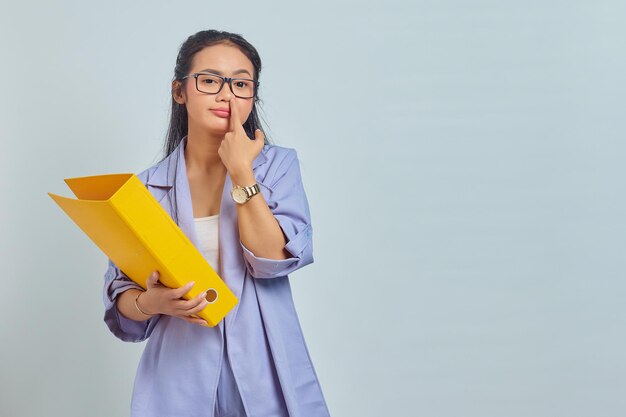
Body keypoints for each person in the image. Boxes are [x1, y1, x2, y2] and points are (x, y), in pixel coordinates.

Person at [102, 29, 331, 417]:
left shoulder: (276, 167)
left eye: (241, 84)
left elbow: (272, 259)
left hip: (265, 367)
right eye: (209, 81)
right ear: (180, 91)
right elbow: (121, 303)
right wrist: (150, 301)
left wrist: (242, 171)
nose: (227, 95)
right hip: (178, 374)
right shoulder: (144, 189)